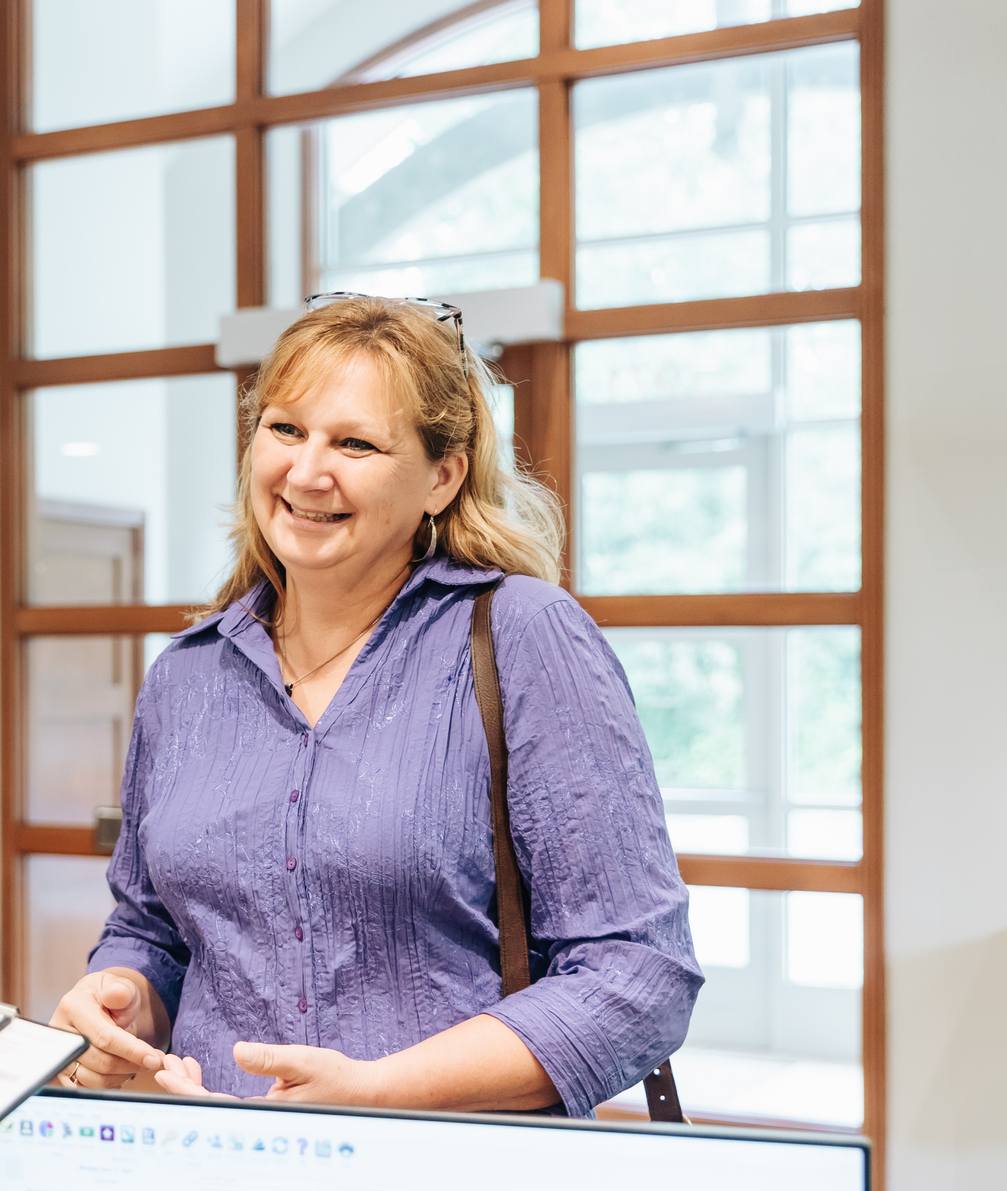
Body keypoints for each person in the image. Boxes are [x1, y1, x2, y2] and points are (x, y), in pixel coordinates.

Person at [49, 294, 702, 1118]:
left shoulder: (522, 637)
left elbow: (638, 976)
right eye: (285, 429)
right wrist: (121, 993)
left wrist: (376, 1091)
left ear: (442, 476)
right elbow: (156, 933)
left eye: (354, 443)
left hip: (439, 1170)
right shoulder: (187, 675)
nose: (306, 472)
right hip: (217, 1163)